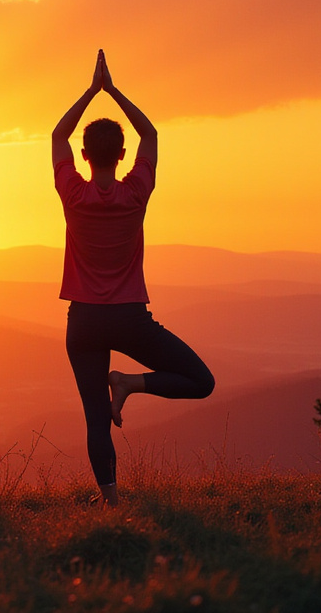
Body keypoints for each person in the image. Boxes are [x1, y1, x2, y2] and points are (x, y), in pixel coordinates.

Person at [51, 49, 214, 506]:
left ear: (83, 156)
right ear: (123, 155)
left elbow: (56, 133)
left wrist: (90, 92)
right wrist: (113, 90)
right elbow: (151, 132)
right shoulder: (137, 191)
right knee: (200, 381)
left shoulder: (73, 193)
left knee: (95, 420)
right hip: (128, 318)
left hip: (83, 322)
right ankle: (131, 383)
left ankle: (113, 506)